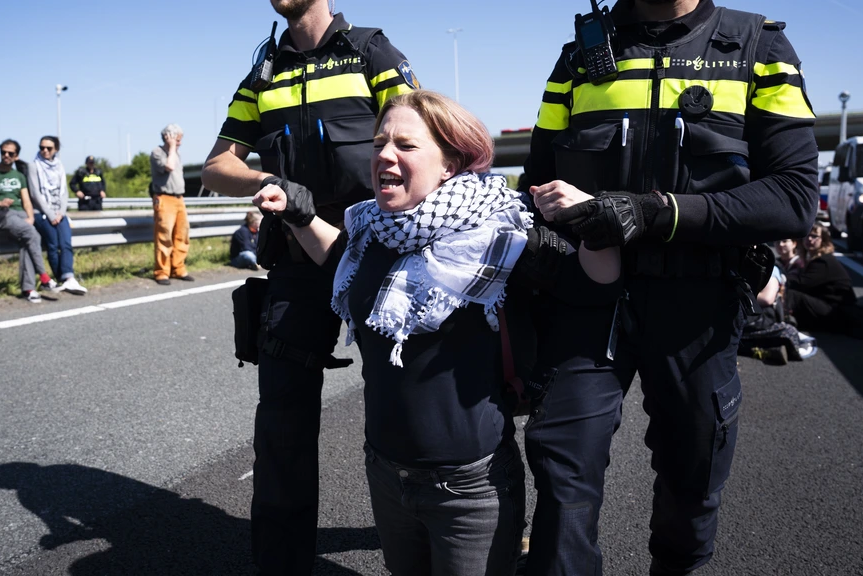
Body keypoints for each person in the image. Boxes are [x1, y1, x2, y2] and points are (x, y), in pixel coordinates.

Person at [255, 90, 620, 576]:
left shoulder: (502, 233)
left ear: (450, 164)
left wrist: (594, 222)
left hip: (470, 490)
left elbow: (593, 285)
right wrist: (300, 215)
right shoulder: (371, 228)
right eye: (379, 143)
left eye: (405, 145)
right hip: (385, 474)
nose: (384, 155)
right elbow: (340, 258)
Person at [519, 1, 819, 574]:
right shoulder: (578, 57)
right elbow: (535, 184)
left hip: (698, 301)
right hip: (587, 298)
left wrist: (654, 213)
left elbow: (794, 196)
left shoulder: (759, 47)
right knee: (561, 468)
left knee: (693, 473)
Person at [201, 1, 419, 572]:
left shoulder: (371, 52)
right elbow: (216, 166)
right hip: (296, 263)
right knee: (281, 427)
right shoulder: (264, 73)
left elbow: (425, 138)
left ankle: (459, 536)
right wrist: (269, 179)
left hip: (377, 261)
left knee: (409, 412)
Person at [0, 139, 59, 303]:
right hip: (0, 213)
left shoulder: (19, 176)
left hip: (20, 213)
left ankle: (28, 289)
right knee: (31, 234)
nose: (6, 155)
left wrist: (30, 217)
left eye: (10, 153)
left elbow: (26, 200)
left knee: (29, 241)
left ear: (16, 156)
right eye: (3, 152)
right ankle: (44, 276)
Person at [27, 136, 88, 296]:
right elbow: (35, 193)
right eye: (42, 147)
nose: (45, 151)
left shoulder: (59, 165)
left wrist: (61, 212)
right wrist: (50, 214)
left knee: (66, 243)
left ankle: (69, 277)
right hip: (42, 213)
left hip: (59, 213)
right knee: (53, 245)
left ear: (56, 150)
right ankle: (61, 278)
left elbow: (64, 192)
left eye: (49, 148)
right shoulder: (33, 166)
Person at [783, 223, 856, 332]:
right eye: (807, 235)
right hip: (828, 305)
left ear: (823, 240)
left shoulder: (823, 261)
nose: (809, 239)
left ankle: (780, 320)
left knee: (793, 295)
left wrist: (780, 278)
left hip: (837, 311)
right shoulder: (813, 257)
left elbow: (801, 283)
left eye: (814, 236)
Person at [150, 124, 194, 286]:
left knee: (182, 235)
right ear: (169, 137)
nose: (180, 143)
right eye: (178, 139)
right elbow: (169, 166)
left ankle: (178, 268)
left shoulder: (176, 153)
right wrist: (172, 146)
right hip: (164, 198)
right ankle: (162, 272)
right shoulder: (157, 152)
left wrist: (174, 148)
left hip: (179, 198)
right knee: (164, 236)